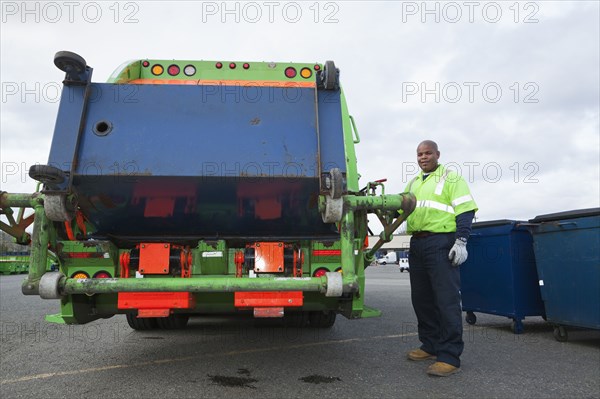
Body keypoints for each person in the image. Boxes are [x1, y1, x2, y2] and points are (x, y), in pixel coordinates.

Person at [403, 140, 477, 377]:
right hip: (417, 243)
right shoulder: (414, 182)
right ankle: (431, 345)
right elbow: (401, 208)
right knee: (422, 299)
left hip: (441, 242)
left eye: (427, 153)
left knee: (446, 300)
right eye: (419, 154)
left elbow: (465, 209)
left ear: (437, 154)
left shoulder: (451, 178)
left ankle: (449, 356)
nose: (423, 157)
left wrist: (461, 240)